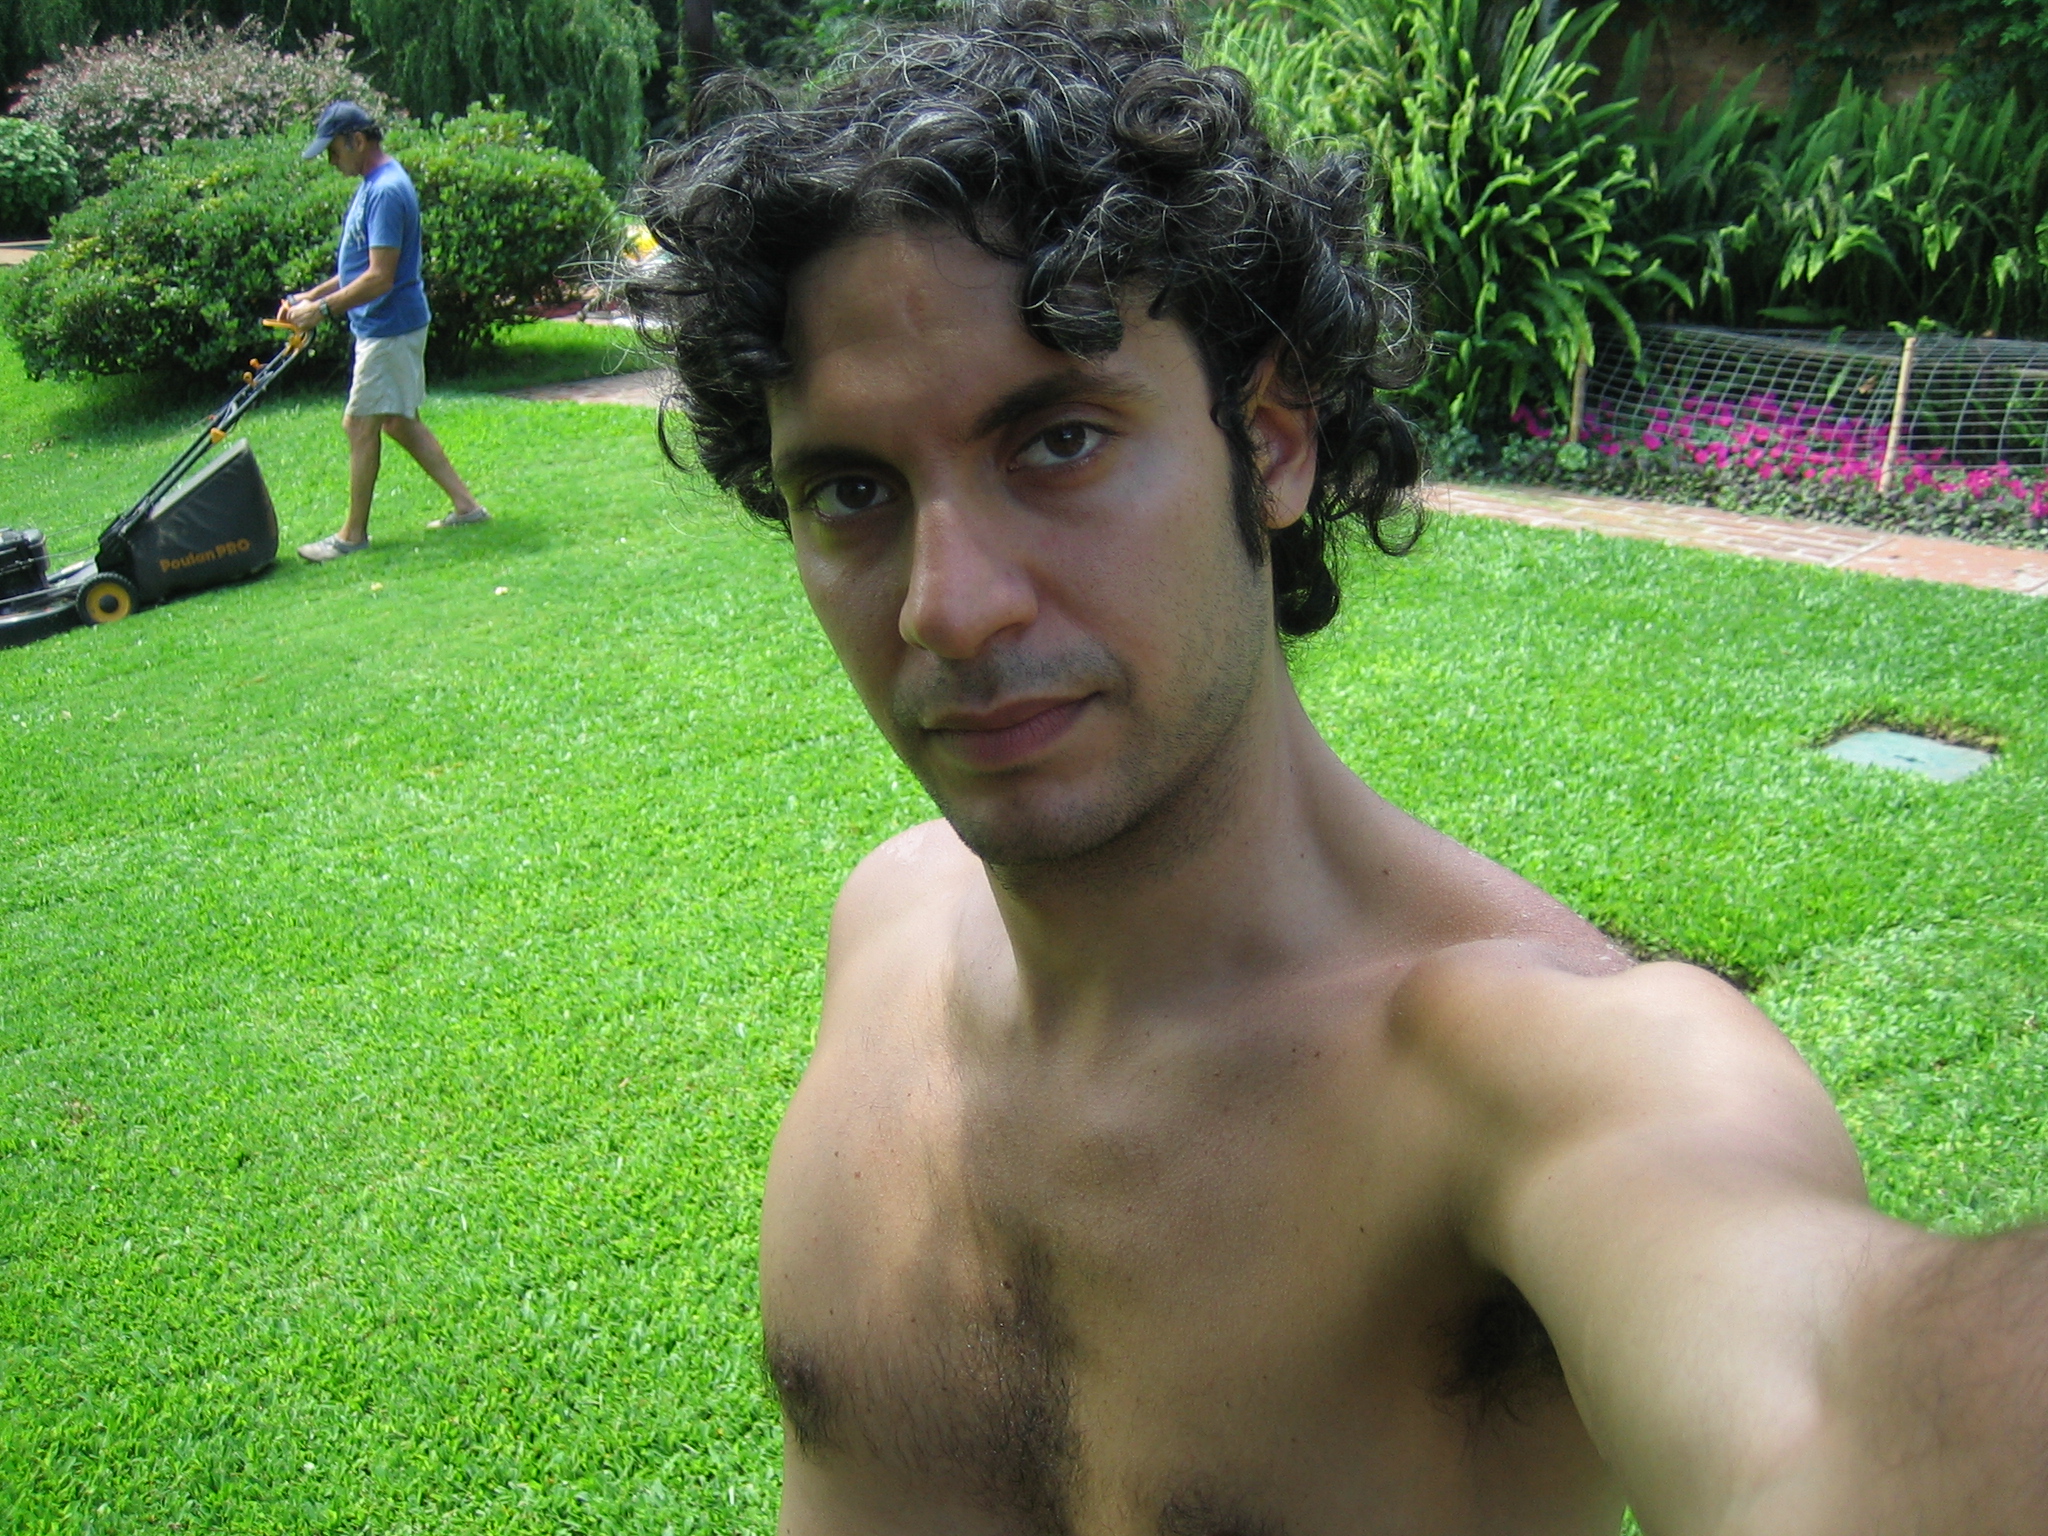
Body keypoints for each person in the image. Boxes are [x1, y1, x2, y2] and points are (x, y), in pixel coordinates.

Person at [632, 6, 2048, 1531]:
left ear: (1274, 441)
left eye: (1058, 443)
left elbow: (1824, 1403)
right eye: (852, 489)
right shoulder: (883, 937)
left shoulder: (1544, 1080)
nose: (947, 607)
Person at [282, 100, 488, 563]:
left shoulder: (387, 191)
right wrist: (310, 296)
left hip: (389, 326)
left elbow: (380, 277)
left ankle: (351, 537)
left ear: (357, 140)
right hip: (387, 324)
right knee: (397, 420)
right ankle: (468, 508)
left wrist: (323, 311)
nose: (331, 160)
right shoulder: (373, 185)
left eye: (333, 150)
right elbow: (360, 265)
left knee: (359, 424)